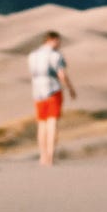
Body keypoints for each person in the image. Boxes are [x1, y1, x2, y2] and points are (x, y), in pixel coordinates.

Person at [27, 30, 76, 166]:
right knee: (52, 122)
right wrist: (71, 89)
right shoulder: (55, 55)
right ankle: (50, 156)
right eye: (58, 41)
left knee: (42, 124)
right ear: (52, 40)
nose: (59, 44)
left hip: (37, 92)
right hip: (53, 90)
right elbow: (61, 74)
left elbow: (32, 74)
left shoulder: (32, 55)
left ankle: (43, 156)